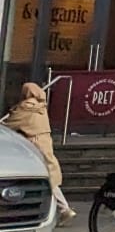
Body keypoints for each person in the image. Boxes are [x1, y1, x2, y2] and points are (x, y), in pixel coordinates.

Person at [2, 82, 73, 221]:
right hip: (45, 142)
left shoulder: (26, 107)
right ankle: (62, 209)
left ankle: (64, 209)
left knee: (43, 177)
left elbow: (11, 123)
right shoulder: (41, 107)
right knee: (49, 175)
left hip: (34, 145)